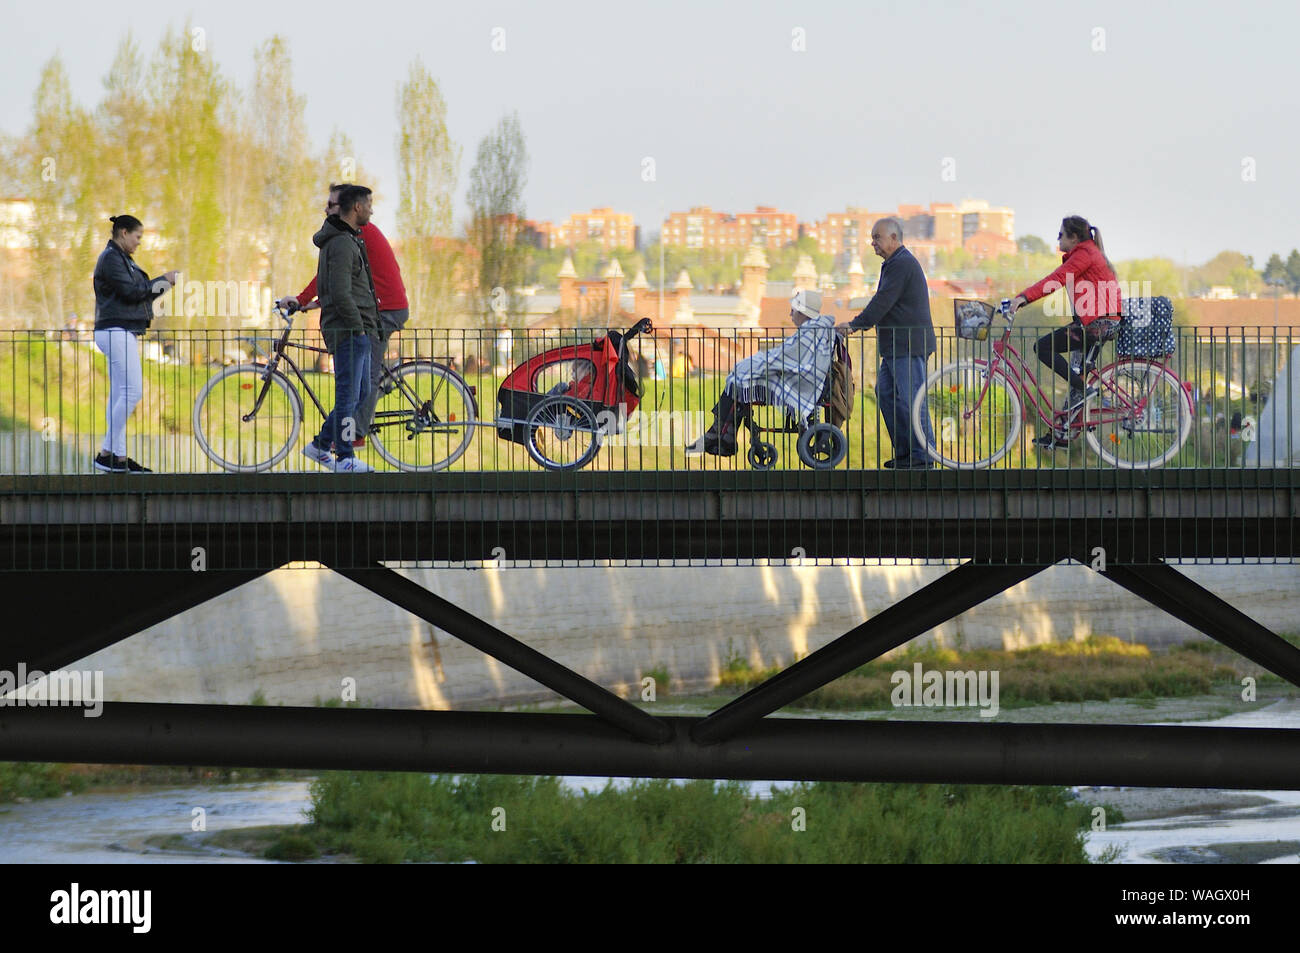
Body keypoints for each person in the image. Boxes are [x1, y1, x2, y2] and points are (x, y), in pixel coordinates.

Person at [277, 183, 409, 449]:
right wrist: (308, 301)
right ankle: (327, 443)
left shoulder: (357, 234)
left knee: (365, 379)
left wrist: (305, 300)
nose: (326, 209)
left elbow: (336, 279)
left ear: (349, 207)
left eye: (332, 204)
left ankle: (354, 435)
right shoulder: (345, 237)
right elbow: (334, 277)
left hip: (383, 310)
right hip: (373, 307)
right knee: (357, 384)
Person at [1008, 215, 1123, 449]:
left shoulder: (1084, 254)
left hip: (1097, 325)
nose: (1058, 238)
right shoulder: (1086, 252)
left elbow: (1056, 279)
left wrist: (1023, 298)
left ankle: (1086, 391)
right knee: (1076, 375)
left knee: (1043, 347)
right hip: (1098, 322)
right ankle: (1060, 434)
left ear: (1074, 237)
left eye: (1061, 234)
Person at [838, 218, 937, 469]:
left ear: (894, 238)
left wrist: (854, 325)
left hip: (908, 345)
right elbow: (884, 301)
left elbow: (883, 301)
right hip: (896, 347)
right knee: (887, 395)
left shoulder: (901, 264)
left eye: (877, 237)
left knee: (914, 400)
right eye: (872, 238)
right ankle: (907, 455)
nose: (873, 243)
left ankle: (924, 457)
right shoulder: (894, 264)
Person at [686, 290, 835, 456]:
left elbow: (785, 358)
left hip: (797, 383)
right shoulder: (813, 330)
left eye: (793, 309)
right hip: (794, 379)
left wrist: (757, 362)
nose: (790, 313)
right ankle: (722, 435)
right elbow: (785, 356)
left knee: (739, 382)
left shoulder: (810, 332)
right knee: (740, 380)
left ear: (802, 312)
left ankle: (719, 434)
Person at [300, 185, 381, 472]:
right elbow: (340, 292)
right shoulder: (343, 244)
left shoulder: (345, 240)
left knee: (358, 395)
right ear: (357, 207)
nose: (372, 209)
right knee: (348, 397)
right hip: (349, 331)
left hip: (353, 330)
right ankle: (345, 457)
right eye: (369, 204)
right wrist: (359, 328)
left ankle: (320, 445)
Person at [91, 215, 178, 473]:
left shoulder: (120, 259)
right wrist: (164, 281)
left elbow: (134, 290)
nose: (139, 242)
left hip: (119, 329)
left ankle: (117, 457)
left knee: (120, 393)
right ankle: (107, 452)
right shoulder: (111, 259)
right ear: (123, 232)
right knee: (133, 391)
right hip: (115, 330)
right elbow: (132, 292)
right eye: (137, 236)